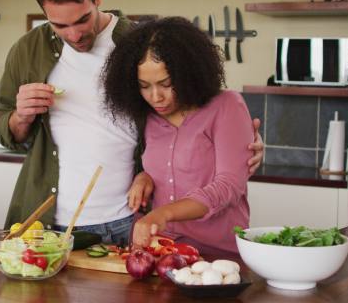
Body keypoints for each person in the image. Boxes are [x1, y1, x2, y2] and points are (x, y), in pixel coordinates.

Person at [0, 0, 263, 246]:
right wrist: (21, 116)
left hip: (130, 219)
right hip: (48, 220)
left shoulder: (138, 43)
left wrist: (246, 144)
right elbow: (4, 129)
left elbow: (197, 109)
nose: (74, 34)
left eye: (82, 19)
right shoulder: (27, 50)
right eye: (59, 25)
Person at [101, 16, 253, 255]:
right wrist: (144, 177)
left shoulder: (227, 106)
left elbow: (229, 186)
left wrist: (164, 213)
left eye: (166, 83)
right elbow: (167, 169)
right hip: (160, 251)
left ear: (188, 73)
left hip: (216, 254)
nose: (155, 97)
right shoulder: (147, 117)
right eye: (144, 85)